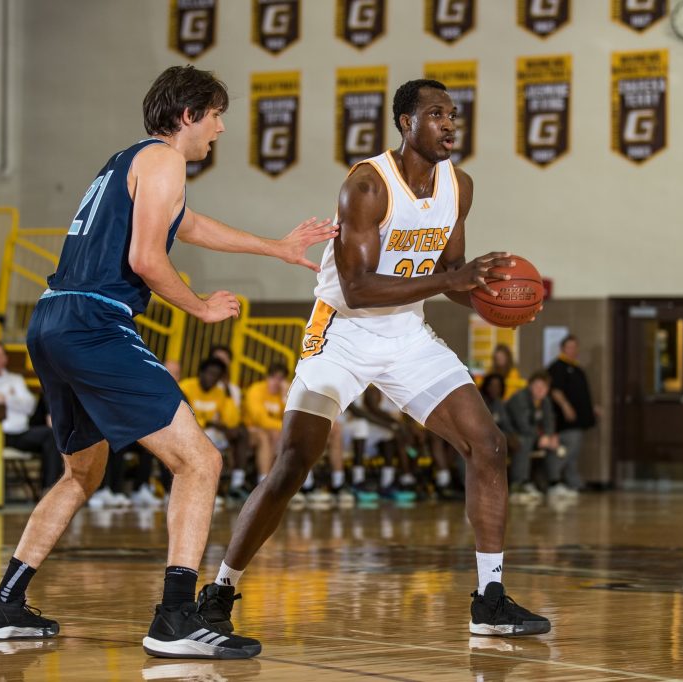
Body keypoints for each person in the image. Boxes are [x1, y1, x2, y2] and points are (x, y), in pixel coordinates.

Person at [0, 65, 335, 661]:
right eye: (215, 115)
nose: (219, 128)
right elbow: (145, 257)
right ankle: (175, 617)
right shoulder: (166, 160)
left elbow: (185, 226)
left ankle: (4, 603)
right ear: (188, 115)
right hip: (94, 322)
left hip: (53, 320)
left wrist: (277, 246)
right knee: (201, 460)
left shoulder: (129, 162)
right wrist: (199, 307)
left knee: (81, 474)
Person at [200, 79, 550, 640]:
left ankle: (489, 597)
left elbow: (452, 272)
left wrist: (488, 297)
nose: (449, 124)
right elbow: (359, 289)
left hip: (405, 333)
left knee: (488, 444)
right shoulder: (366, 185)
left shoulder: (458, 185)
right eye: (436, 114)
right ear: (405, 123)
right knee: (293, 461)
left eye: (453, 114)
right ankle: (218, 591)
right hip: (342, 330)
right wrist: (451, 280)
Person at [0, 341, 63, 491]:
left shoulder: (16, 380)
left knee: (51, 435)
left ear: (5, 359)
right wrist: (14, 401)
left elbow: (29, 406)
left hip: (19, 432)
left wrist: (4, 399)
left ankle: (50, 489)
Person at [179, 357, 246, 506]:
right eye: (210, 373)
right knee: (211, 443)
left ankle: (234, 484)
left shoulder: (219, 393)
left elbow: (231, 420)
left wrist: (227, 390)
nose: (212, 378)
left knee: (239, 433)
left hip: (209, 434)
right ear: (201, 373)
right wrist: (210, 423)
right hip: (186, 432)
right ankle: (201, 492)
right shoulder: (186, 387)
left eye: (217, 376)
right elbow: (184, 416)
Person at [547, 334, 596, 498]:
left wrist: (591, 408)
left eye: (575, 347)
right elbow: (555, 391)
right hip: (565, 421)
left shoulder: (576, 368)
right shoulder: (557, 367)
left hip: (578, 420)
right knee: (565, 451)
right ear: (562, 349)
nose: (573, 350)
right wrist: (566, 406)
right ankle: (554, 480)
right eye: (569, 347)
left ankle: (572, 481)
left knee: (573, 453)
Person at [505, 372, 559, 504]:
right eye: (537, 386)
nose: (540, 390)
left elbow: (549, 421)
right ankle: (519, 484)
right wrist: (541, 437)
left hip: (532, 435)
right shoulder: (520, 398)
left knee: (554, 443)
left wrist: (548, 436)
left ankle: (554, 483)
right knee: (523, 442)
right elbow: (522, 425)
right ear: (530, 386)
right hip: (508, 434)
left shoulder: (544, 401)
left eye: (544, 387)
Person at [241, 363, 288, 486]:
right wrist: (285, 427)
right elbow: (260, 420)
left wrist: (285, 398)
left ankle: (271, 480)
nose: (276, 382)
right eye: (273, 378)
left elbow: (290, 417)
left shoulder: (282, 395)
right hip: (250, 430)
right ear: (267, 377)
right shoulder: (256, 390)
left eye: (280, 379)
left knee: (276, 435)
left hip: (273, 432)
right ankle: (264, 482)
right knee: (268, 436)